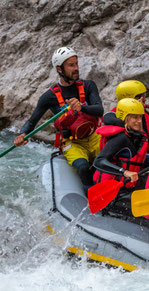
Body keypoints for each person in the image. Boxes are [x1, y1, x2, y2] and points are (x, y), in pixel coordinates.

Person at [13, 47, 103, 190]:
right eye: (71, 65)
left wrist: (81, 107)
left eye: (76, 64)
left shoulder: (88, 85)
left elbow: (99, 109)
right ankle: (92, 199)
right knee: (84, 168)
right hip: (73, 143)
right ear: (60, 69)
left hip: (94, 136)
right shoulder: (49, 96)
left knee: (109, 160)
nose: (76, 68)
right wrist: (22, 135)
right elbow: (31, 121)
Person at [92, 98, 149, 192]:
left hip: (124, 186)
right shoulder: (120, 138)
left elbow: (138, 159)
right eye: (135, 117)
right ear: (125, 119)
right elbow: (98, 161)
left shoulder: (134, 135)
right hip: (107, 188)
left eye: (140, 117)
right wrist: (125, 172)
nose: (139, 121)